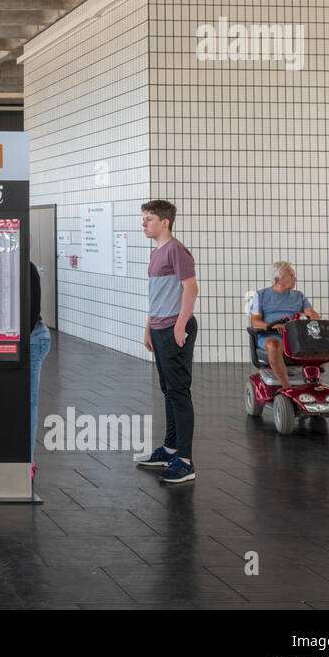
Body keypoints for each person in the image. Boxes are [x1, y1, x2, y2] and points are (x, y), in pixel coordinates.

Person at [134, 200, 199, 485]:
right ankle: (170, 448)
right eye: (144, 219)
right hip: (160, 328)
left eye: (149, 219)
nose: (144, 224)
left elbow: (191, 288)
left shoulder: (176, 250)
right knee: (168, 389)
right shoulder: (156, 253)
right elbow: (155, 294)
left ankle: (184, 460)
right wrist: (149, 328)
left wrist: (180, 325)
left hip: (174, 328)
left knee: (179, 391)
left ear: (165, 222)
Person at [250, 261, 320, 390]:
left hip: (295, 335)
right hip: (271, 336)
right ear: (277, 279)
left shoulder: (299, 296)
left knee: (321, 340)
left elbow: (313, 314)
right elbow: (255, 322)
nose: (295, 279)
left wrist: (307, 316)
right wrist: (273, 326)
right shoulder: (261, 295)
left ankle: (314, 384)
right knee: (274, 344)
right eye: (291, 275)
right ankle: (287, 388)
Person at [28, 261, 49, 482]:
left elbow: (32, 310)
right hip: (17, 340)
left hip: (33, 339)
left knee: (28, 402)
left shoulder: (29, 267)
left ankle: (28, 461)